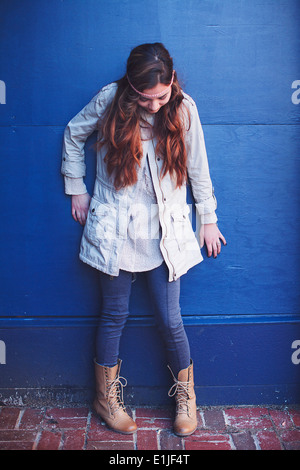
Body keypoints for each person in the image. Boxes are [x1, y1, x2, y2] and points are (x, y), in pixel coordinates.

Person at [61, 43, 226, 437]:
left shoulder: (184, 109)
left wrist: (208, 219)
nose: (153, 106)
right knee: (114, 315)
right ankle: (105, 399)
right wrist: (77, 188)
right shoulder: (109, 100)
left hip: (164, 232)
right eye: (143, 97)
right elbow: (72, 134)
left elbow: (199, 166)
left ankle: (187, 398)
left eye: (161, 96)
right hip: (116, 230)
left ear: (172, 81)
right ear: (131, 87)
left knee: (170, 320)